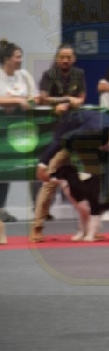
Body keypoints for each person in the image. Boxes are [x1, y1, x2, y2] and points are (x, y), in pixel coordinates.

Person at [34, 109, 109, 242]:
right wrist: (43, 164)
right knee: (50, 179)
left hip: (91, 147)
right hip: (68, 137)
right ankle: (37, 228)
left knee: (95, 183)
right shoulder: (95, 130)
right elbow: (61, 140)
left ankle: (91, 228)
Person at [29, 43, 87, 241]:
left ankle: (90, 227)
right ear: (57, 58)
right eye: (62, 57)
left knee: (88, 181)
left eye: (69, 57)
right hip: (57, 138)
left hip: (78, 138)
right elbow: (43, 98)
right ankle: (37, 227)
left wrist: (67, 101)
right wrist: (63, 102)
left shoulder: (79, 74)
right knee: (50, 182)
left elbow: (81, 99)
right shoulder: (49, 75)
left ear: (74, 59)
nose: (65, 60)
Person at [0, 39, 35, 223]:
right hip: (1, 129)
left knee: (10, 169)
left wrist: (22, 102)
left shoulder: (24, 75)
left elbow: (34, 98)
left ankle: (2, 209)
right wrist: (16, 100)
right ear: (7, 59)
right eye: (17, 57)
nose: (20, 60)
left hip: (19, 131)